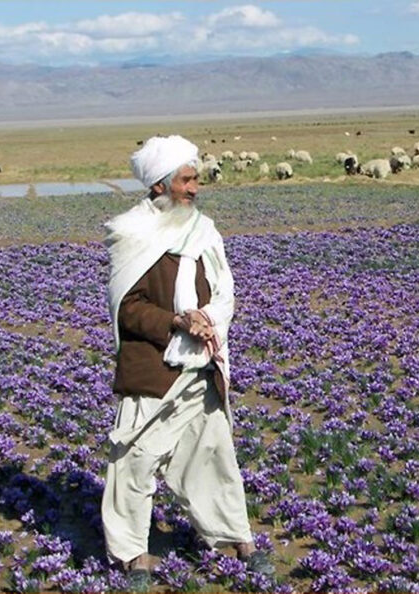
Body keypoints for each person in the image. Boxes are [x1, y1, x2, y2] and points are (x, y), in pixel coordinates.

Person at [101, 135, 273, 591]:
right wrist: (176, 321)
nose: (195, 187)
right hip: (153, 367)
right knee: (134, 460)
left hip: (200, 363)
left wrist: (208, 319)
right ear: (159, 185)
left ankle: (235, 539)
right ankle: (134, 554)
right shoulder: (132, 234)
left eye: (196, 179)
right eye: (186, 179)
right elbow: (128, 307)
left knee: (214, 454)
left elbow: (225, 292)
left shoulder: (203, 230)